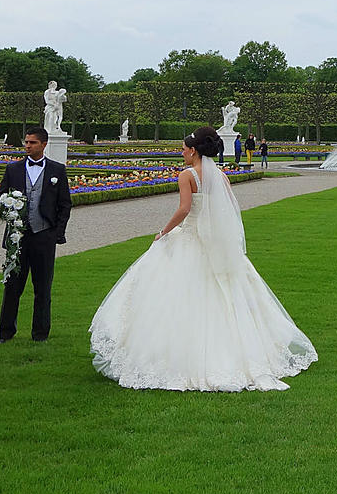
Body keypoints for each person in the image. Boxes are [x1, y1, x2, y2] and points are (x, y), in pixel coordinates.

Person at [90, 126, 317, 391]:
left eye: (184, 150)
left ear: (194, 150)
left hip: (190, 239)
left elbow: (185, 209)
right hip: (215, 243)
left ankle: (180, 357)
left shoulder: (186, 175)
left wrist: (163, 231)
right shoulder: (221, 176)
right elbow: (229, 210)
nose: (182, 154)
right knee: (227, 296)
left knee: (176, 295)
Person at [0, 127, 72, 343]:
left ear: (44, 144)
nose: (27, 146)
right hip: (16, 238)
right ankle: (5, 333)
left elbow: (65, 204)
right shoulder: (13, 169)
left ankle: (40, 334)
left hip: (43, 236)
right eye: (26, 142)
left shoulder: (58, 170)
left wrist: (56, 232)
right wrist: (9, 211)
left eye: (32, 143)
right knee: (12, 287)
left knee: (43, 288)